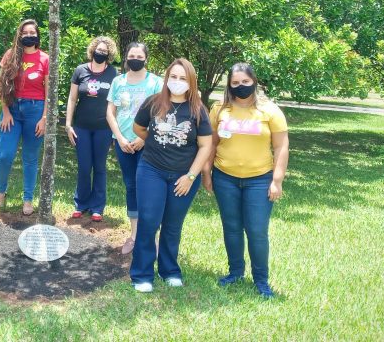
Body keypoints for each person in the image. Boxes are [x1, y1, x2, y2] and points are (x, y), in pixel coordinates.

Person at [203, 62, 289, 298]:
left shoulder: (270, 111)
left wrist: (277, 180)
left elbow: (281, 146)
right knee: (231, 228)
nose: (241, 86)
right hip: (225, 178)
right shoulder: (219, 109)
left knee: (257, 231)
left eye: (245, 82)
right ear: (229, 85)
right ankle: (235, 272)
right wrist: (206, 172)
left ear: (254, 82)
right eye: (235, 83)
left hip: (259, 180)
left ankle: (261, 280)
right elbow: (211, 143)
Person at [130, 58, 213, 292]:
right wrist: (154, 140)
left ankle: (169, 271)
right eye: (173, 77)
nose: (177, 82)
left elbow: (205, 146)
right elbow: (138, 128)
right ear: (167, 79)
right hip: (151, 171)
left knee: (173, 225)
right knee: (149, 221)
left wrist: (190, 176)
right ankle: (142, 274)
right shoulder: (153, 103)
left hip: (183, 176)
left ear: (191, 82)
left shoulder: (198, 110)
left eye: (183, 78)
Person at [106, 42, 163, 254]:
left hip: (147, 145)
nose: (135, 59)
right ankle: (134, 235)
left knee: (148, 189)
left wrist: (144, 138)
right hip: (123, 144)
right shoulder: (118, 81)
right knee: (131, 186)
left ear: (146, 58)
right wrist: (119, 138)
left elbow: (161, 113)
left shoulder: (156, 83)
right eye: (131, 55)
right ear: (126, 57)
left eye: (139, 56)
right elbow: (111, 112)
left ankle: (152, 238)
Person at [0, 19, 48, 215]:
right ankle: (1, 192)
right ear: (19, 35)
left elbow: (49, 91)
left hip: (36, 111)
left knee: (30, 158)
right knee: (4, 155)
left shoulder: (45, 59)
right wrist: (6, 111)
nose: (28, 36)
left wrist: (44, 118)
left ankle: (28, 198)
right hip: (12, 110)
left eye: (32, 32)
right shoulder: (10, 55)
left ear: (37, 35)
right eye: (24, 33)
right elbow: (1, 85)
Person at [65, 36, 118, 222]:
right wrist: (68, 124)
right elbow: (72, 99)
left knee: (100, 167)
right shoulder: (80, 70)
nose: (100, 53)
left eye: (104, 51)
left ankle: (97, 207)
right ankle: (81, 204)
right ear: (92, 50)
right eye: (98, 50)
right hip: (82, 127)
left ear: (109, 54)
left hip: (104, 128)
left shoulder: (114, 74)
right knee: (84, 167)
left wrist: (115, 131)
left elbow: (115, 104)